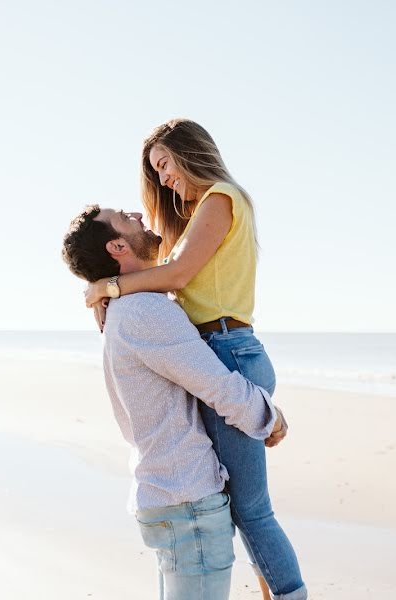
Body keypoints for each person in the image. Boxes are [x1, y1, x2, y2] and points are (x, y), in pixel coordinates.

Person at [83, 119, 307, 600]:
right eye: (156, 171)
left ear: (189, 152)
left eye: (165, 164)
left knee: (252, 509)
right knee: (239, 505)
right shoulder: (193, 216)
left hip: (228, 352)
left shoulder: (221, 198)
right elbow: (156, 263)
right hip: (219, 350)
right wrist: (105, 284)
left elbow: (178, 274)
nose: (163, 178)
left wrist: (111, 286)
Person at [61, 204, 288, 600]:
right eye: (124, 217)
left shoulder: (123, 308)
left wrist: (104, 287)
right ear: (117, 246)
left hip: (168, 497)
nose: (136, 213)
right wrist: (271, 418)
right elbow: (217, 387)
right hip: (188, 505)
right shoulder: (144, 310)